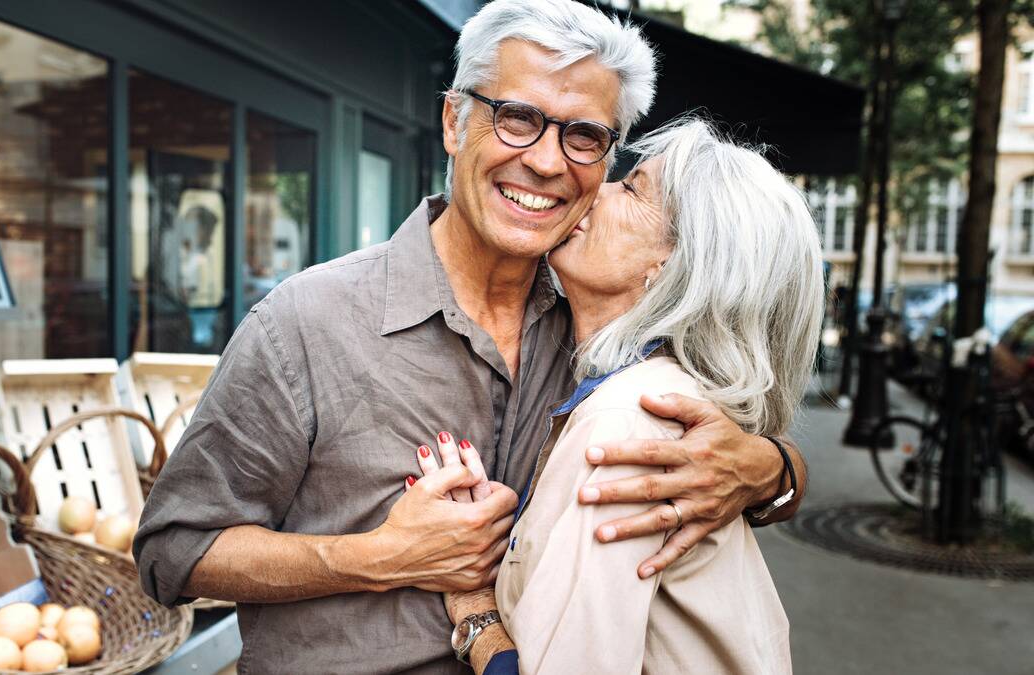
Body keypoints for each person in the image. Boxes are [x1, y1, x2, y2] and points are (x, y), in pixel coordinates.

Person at [134, 1, 809, 673]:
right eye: (517, 118)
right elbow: (173, 553)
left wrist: (769, 469)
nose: (546, 162)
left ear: (606, 159)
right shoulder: (304, 323)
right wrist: (374, 558)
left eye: (582, 135)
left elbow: (709, 452)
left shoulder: (604, 332)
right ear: (454, 120)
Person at [431, 119, 821, 674]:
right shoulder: (631, 385)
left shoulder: (631, 421)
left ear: (672, 265)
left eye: (632, 187)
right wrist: (780, 467)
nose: (596, 186)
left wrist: (476, 614)